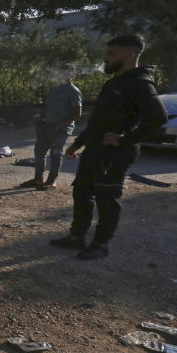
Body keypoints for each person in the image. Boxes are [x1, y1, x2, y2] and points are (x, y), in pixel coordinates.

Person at [50, 35, 167, 260]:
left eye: (111, 54)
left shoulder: (140, 82)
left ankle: (100, 244)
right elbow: (99, 121)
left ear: (130, 54)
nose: (106, 58)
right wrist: (78, 142)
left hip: (115, 154)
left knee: (106, 199)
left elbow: (158, 117)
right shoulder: (114, 81)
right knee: (82, 194)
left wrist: (124, 139)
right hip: (94, 150)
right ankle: (77, 237)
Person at [18, 64, 82, 190]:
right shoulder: (54, 89)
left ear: (72, 75)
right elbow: (49, 106)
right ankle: (38, 179)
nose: (62, 75)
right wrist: (42, 120)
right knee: (39, 152)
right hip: (47, 125)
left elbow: (77, 113)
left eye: (66, 73)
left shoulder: (74, 91)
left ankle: (51, 181)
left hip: (62, 128)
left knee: (56, 153)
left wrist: (60, 125)